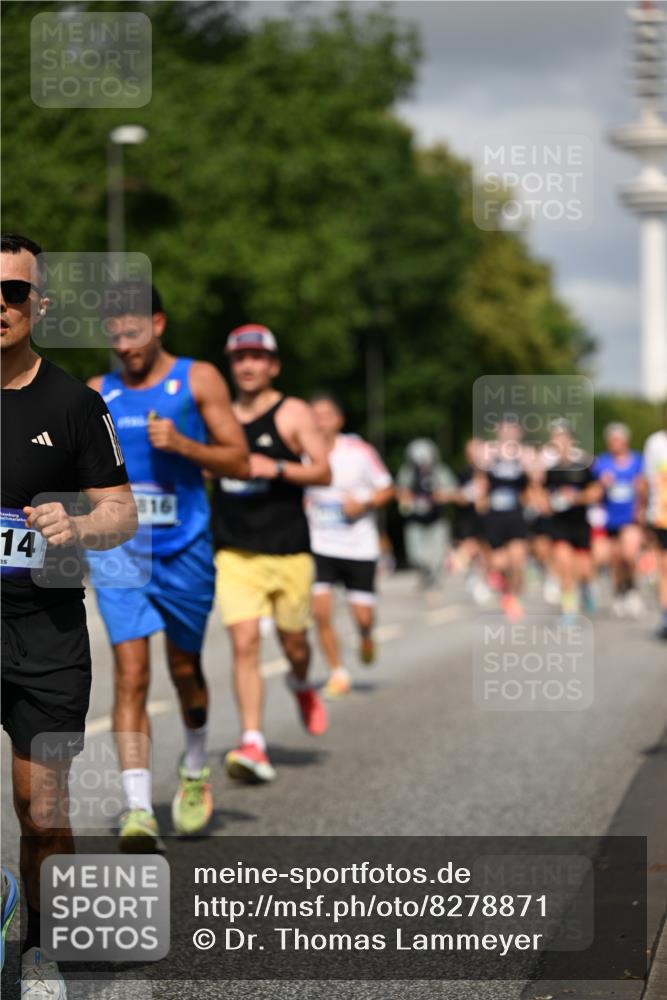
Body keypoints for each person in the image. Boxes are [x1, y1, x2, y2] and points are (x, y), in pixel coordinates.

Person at [1, 233, 138, 997]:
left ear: (39, 304)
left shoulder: (76, 405)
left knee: (42, 805)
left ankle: (42, 952)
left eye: (15, 291)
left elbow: (121, 511)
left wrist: (76, 525)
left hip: (44, 626)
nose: (0, 303)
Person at [87, 281, 248, 846]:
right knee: (131, 674)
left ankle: (196, 767)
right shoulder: (97, 392)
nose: (125, 345)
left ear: (158, 324)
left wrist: (184, 446)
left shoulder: (198, 379)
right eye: (115, 337)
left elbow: (241, 459)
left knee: (185, 670)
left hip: (185, 551)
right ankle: (137, 808)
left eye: (133, 332)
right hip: (120, 555)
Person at [211, 325, 331, 782]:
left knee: (295, 644)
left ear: (273, 365)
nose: (247, 365)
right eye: (240, 357)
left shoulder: (293, 412)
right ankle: (253, 743)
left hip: (287, 551)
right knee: (244, 642)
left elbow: (323, 471)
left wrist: (275, 466)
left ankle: (300, 682)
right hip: (234, 550)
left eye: (257, 357)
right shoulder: (215, 414)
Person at [306, 393, 394, 699]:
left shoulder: (359, 451)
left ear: (339, 420)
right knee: (320, 612)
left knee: (363, 616)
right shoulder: (302, 452)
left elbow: (387, 488)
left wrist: (365, 502)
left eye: (326, 414)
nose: (319, 420)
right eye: (313, 414)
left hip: (359, 546)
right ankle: (338, 672)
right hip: (320, 545)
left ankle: (367, 635)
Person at [533, 420, 602, 623]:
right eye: (556, 437)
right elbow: (539, 492)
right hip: (559, 524)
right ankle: (569, 611)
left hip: (579, 523)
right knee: (564, 565)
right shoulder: (549, 467)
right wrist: (545, 503)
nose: (560, 441)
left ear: (570, 439)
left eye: (563, 436)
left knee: (583, 570)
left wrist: (576, 498)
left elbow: (596, 490)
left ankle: (586, 586)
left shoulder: (583, 464)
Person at [474, 417, 534, 621]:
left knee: (518, 559)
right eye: (505, 429)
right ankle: (501, 585)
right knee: (498, 562)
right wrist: (480, 498)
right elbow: (480, 479)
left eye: (513, 429)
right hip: (495, 516)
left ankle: (513, 597)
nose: (509, 433)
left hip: (516, 514)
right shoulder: (488, 453)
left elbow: (535, 481)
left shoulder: (525, 454)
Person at [593, 423, 644, 618]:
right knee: (615, 559)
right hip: (610, 518)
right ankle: (619, 591)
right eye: (612, 440)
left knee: (629, 554)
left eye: (618, 439)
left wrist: (640, 491)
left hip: (631, 517)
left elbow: (645, 487)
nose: (615, 443)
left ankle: (632, 588)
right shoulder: (602, 463)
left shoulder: (637, 461)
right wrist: (602, 485)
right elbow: (594, 492)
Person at [396, 439, 458, 592]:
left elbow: (453, 491)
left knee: (437, 555)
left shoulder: (440, 471)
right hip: (415, 519)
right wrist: (407, 500)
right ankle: (425, 575)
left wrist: (440, 496)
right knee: (416, 555)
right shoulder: (407, 472)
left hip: (436, 519)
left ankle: (434, 581)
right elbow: (400, 492)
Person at [640, 408, 667, 639]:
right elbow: (647, 481)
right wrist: (642, 513)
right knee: (665, 567)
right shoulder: (655, 443)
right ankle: (666, 615)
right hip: (661, 516)